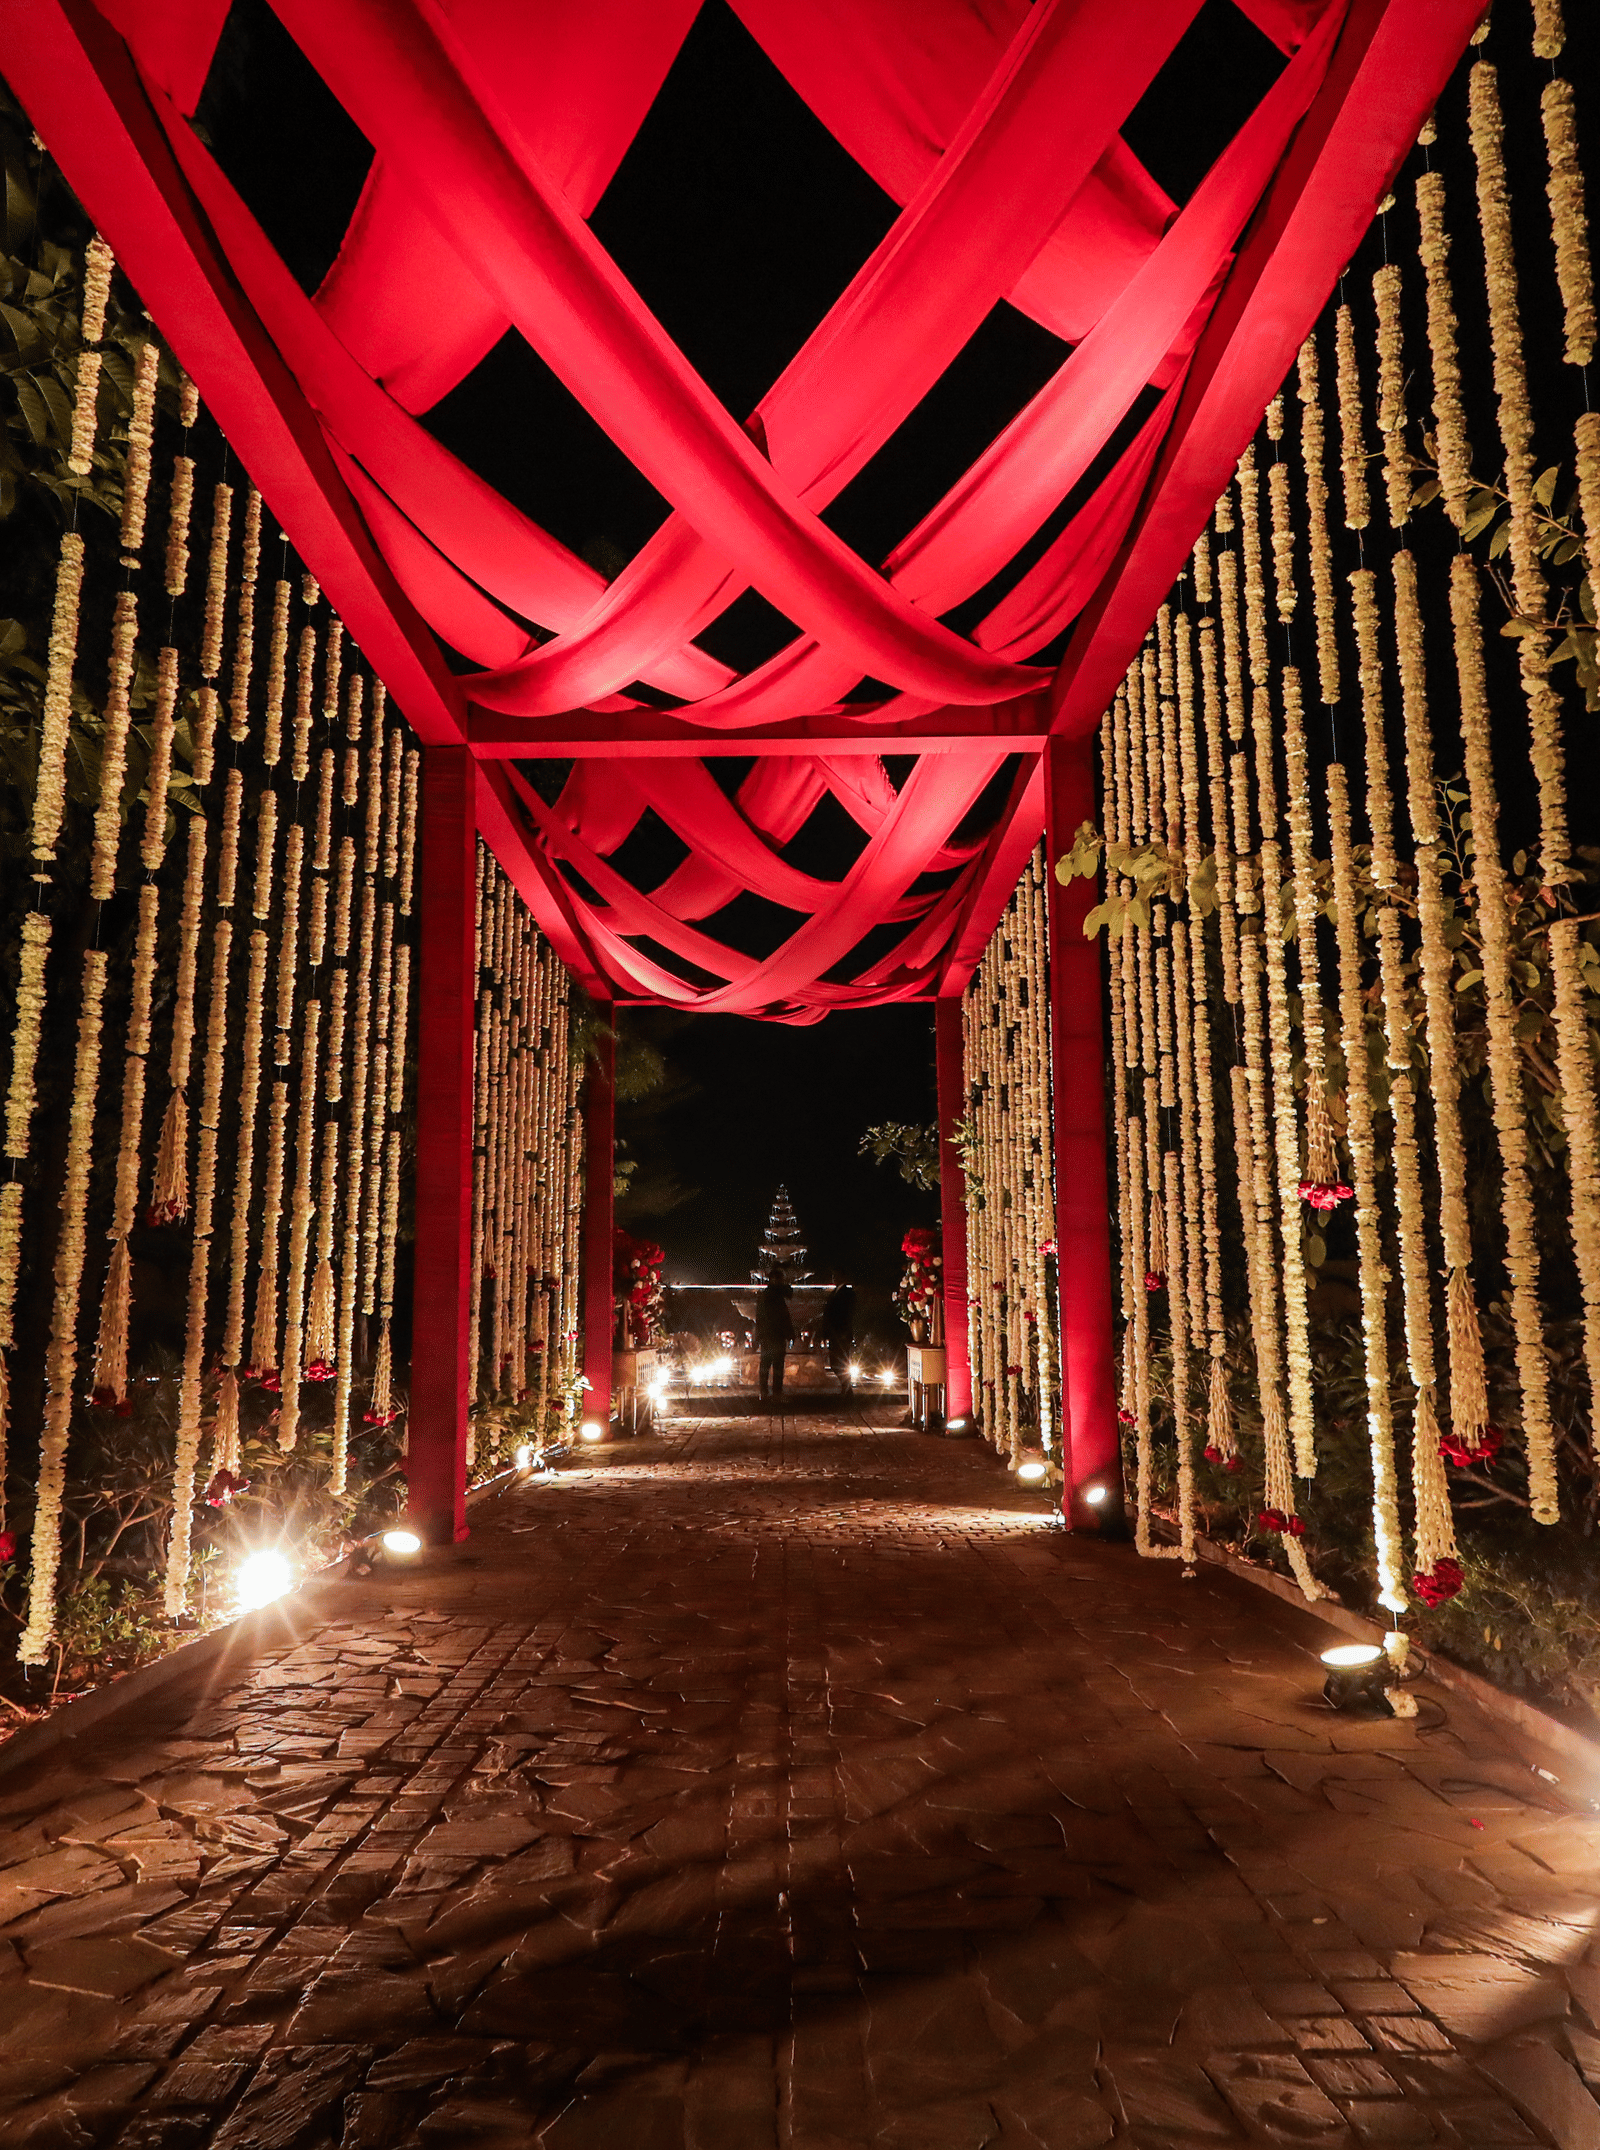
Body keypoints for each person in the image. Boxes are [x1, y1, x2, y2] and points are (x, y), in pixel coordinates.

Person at [755, 1268, 794, 1403]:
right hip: (774, 1335)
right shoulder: (772, 1294)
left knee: (768, 1365)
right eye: (780, 1280)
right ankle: (773, 1392)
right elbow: (782, 1316)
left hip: (769, 1335)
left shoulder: (767, 1294)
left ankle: (765, 1392)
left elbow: (760, 1318)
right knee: (775, 1365)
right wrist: (789, 1334)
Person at [821, 1281, 855, 1393]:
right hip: (835, 1333)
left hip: (841, 1333)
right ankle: (845, 1385)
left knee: (841, 1361)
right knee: (836, 1362)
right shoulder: (835, 1292)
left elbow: (848, 1314)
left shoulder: (847, 1293)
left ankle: (846, 1386)